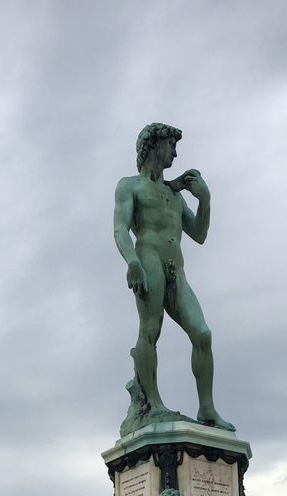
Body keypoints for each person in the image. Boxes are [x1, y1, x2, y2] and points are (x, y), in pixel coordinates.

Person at [114, 123, 234, 432]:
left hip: (176, 268)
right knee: (150, 331)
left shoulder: (173, 194)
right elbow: (119, 229)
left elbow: (198, 234)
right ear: (154, 146)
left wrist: (204, 200)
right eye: (171, 146)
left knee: (203, 334)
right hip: (149, 260)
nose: (175, 153)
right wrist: (133, 263)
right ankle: (153, 403)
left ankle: (207, 409)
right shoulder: (129, 186)